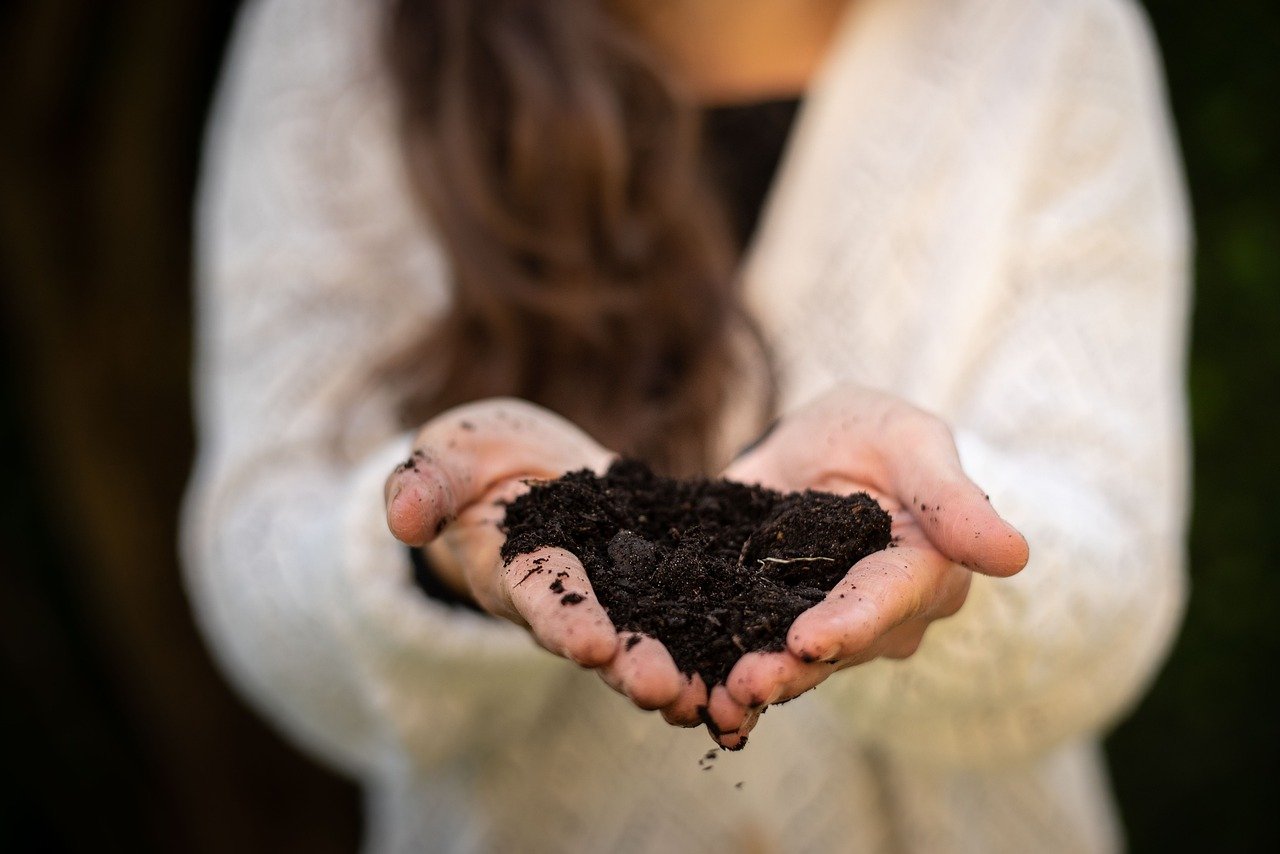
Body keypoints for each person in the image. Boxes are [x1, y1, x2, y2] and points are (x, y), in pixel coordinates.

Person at [181, 0, 1190, 850]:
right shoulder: (334, 32)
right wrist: (422, 559)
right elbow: (261, 542)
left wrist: (947, 547)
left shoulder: (1048, 32)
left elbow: (1114, 561)